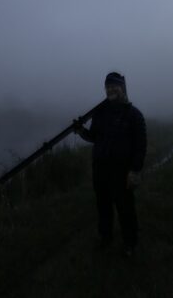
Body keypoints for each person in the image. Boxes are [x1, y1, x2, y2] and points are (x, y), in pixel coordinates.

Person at [74, 72, 147, 257]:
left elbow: (141, 145)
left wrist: (135, 171)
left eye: (114, 86)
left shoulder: (134, 115)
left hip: (122, 171)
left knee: (125, 208)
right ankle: (105, 237)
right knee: (103, 206)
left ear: (123, 88)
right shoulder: (100, 113)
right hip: (100, 169)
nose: (111, 89)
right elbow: (94, 137)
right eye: (108, 86)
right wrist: (81, 131)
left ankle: (130, 243)